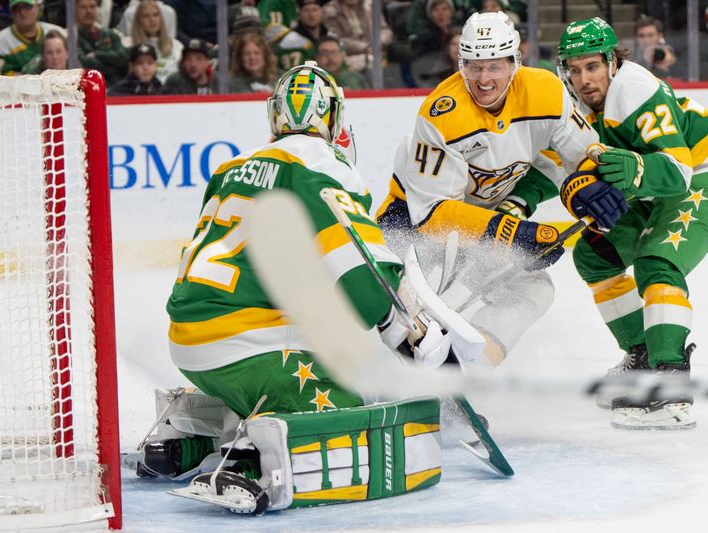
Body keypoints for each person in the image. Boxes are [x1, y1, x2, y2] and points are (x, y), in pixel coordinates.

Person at [158, 60, 472, 513]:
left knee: (301, 367)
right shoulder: (320, 163)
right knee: (356, 404)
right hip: (247, 348)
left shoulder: (233, 167)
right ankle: (249, 460)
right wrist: (411, 332)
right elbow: (360, 264)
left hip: (191, 343)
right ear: (333, 117)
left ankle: (185, 436)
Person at [378, 12, 625, 362]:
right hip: (412, 222)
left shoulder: (546, 91)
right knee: (429, 302)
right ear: (460, 64)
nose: (483, 78)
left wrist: (586, 183)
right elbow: (432, 215)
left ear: (515, 62)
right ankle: (383, 370)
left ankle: (468, 368)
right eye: (474, 66)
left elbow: (582, 152)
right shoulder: (440, 113)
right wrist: (512, 231)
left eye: (494, 66)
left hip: (479, 224)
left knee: (532, 288)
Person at [558, 18, 708, 429]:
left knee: (656, 263)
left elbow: (678, 170)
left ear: (612, 62)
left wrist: (636, 169)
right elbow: (552, 164)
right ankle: (641, 358)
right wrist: (517, 210)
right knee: (595, 255)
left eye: (591, 66)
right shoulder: (572, 104)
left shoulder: (636, 90)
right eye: (573, 69)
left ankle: (671, 384)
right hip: (650, 184)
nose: (583, 79)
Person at [0, 0, 63, 75]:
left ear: (37, 8)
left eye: (27, 7)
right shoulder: (0, 42)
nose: (22, 12)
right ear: (11, 12)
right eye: (16, 9)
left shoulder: (58, 33)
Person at [322, 0, 393, 73]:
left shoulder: (370, 5)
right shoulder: (330, 10)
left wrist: (379, 43)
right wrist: (366, 48)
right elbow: (336, 39)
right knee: (372, 61)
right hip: (348, 56)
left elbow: (384, 29)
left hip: (377, 49)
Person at [128, 0, 184, 83]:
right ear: (138, 20)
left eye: (156, 15)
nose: (152, 19)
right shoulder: (129, 45)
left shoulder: (177, 45)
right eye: (146, 16)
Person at [75, 0, 128, 86]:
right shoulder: (71, 39)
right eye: (83, 7)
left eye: (92, 6)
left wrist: (97, 54)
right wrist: (112, 64)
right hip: (88, 86)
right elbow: (83, 62)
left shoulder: (110, 34)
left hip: (117, 85)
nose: (89, 11)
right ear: (75, 10)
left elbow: (123, 57)